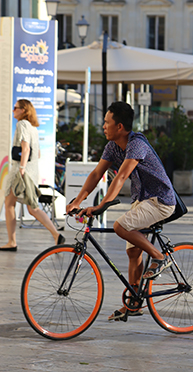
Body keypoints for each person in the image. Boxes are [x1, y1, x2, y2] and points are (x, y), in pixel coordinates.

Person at [66, 101, 177, 321]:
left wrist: (101, 205)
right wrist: (77, 201)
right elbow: (96, 174)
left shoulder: (137, 144)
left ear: (119, 126)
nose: (103, 126)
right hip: (142, 201)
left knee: (120, 226)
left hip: (160, 201)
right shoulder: (113, 146)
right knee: (133, 252)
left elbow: (121, 177)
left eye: (107, 122)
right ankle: (134, 303)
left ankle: (159, 256)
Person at [1, 99, 64, 251]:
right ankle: (56, 234)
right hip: (32, 173)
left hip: (19, 172)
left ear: (23, 110)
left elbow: (26, 148)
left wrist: (21, 168)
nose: (13, 110)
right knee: (33, 208)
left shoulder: (22, 124)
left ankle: (12, 242)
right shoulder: (33, 128)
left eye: (15, 108)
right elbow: (38, 153)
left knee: (9, 204)